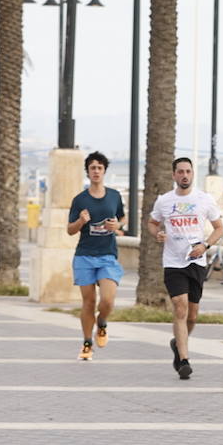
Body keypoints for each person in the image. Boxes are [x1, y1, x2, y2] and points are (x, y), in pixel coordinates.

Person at [147, 157, 223, 380]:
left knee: (192, 316)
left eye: (188, 172)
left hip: (196, 262)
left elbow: (219, 228)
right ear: (173, 175)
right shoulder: (164, 201)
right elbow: (152, 223)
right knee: (180, 308)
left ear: (192, 174)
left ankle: (177, 343)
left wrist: (205, 245)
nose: (184, 175)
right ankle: (184, 360)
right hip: (173, 263)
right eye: (180, 172)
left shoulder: (204, 199)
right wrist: (157, 233)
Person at [65, 151, 126, 360]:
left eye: (100, 167)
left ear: (104, 171)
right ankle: (87, 343)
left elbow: (123, 218)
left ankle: (102, 323)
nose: (96, 171)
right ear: (88, 172)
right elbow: (70, 230)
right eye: (93, 168)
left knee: (107, 301)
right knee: (88, 302)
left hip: (107, 255)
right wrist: (81, 221)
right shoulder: (79, 200)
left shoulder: (114, 196)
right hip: (84, 256)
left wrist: (117, 225)